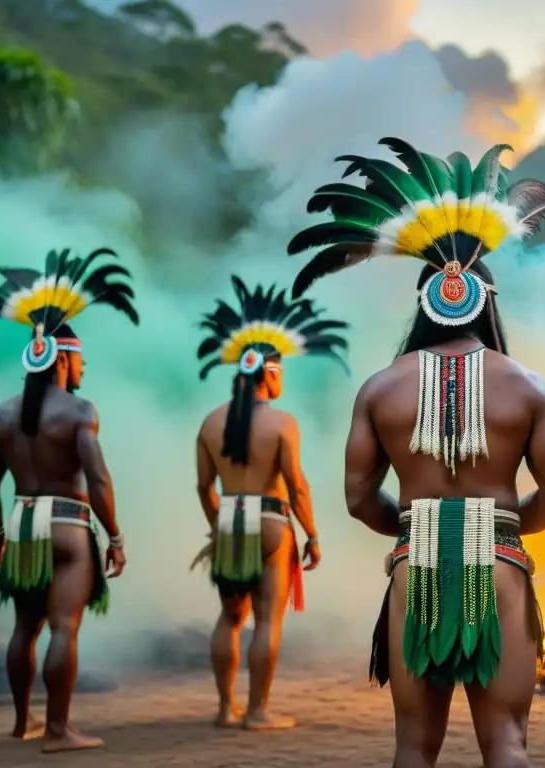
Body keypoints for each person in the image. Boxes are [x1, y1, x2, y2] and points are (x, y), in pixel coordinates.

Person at [287, 137, 545, 768]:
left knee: (414, 747)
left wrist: (422, 524)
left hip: (414, 564)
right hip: (502, 564)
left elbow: (357, 499)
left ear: (427, 297)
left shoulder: (381, 388)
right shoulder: (528, 387)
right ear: (486, 299)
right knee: (506, 741)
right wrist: (499, 526)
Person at [0, 247, 140, 752]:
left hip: (21, 527)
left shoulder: (0, 416)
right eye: (77, 356)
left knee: (23, 629)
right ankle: (58, 730)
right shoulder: (79, 411)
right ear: (61, 356)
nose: (82, 366)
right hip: (68, 530)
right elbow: (98, 481)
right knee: (63, 629)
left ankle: (22, 722)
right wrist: (116, 537)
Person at [190, 275, 349, 730]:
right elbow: (296, 485)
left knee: (229, 615)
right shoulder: (282, 422)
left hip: (229, 521)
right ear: (270, 372)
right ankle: (258, 711)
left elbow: (203, 487)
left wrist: (217, 524)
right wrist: (314, 535)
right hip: (272, 525)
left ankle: (224, 708)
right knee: (266, 620)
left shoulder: (209, 422)